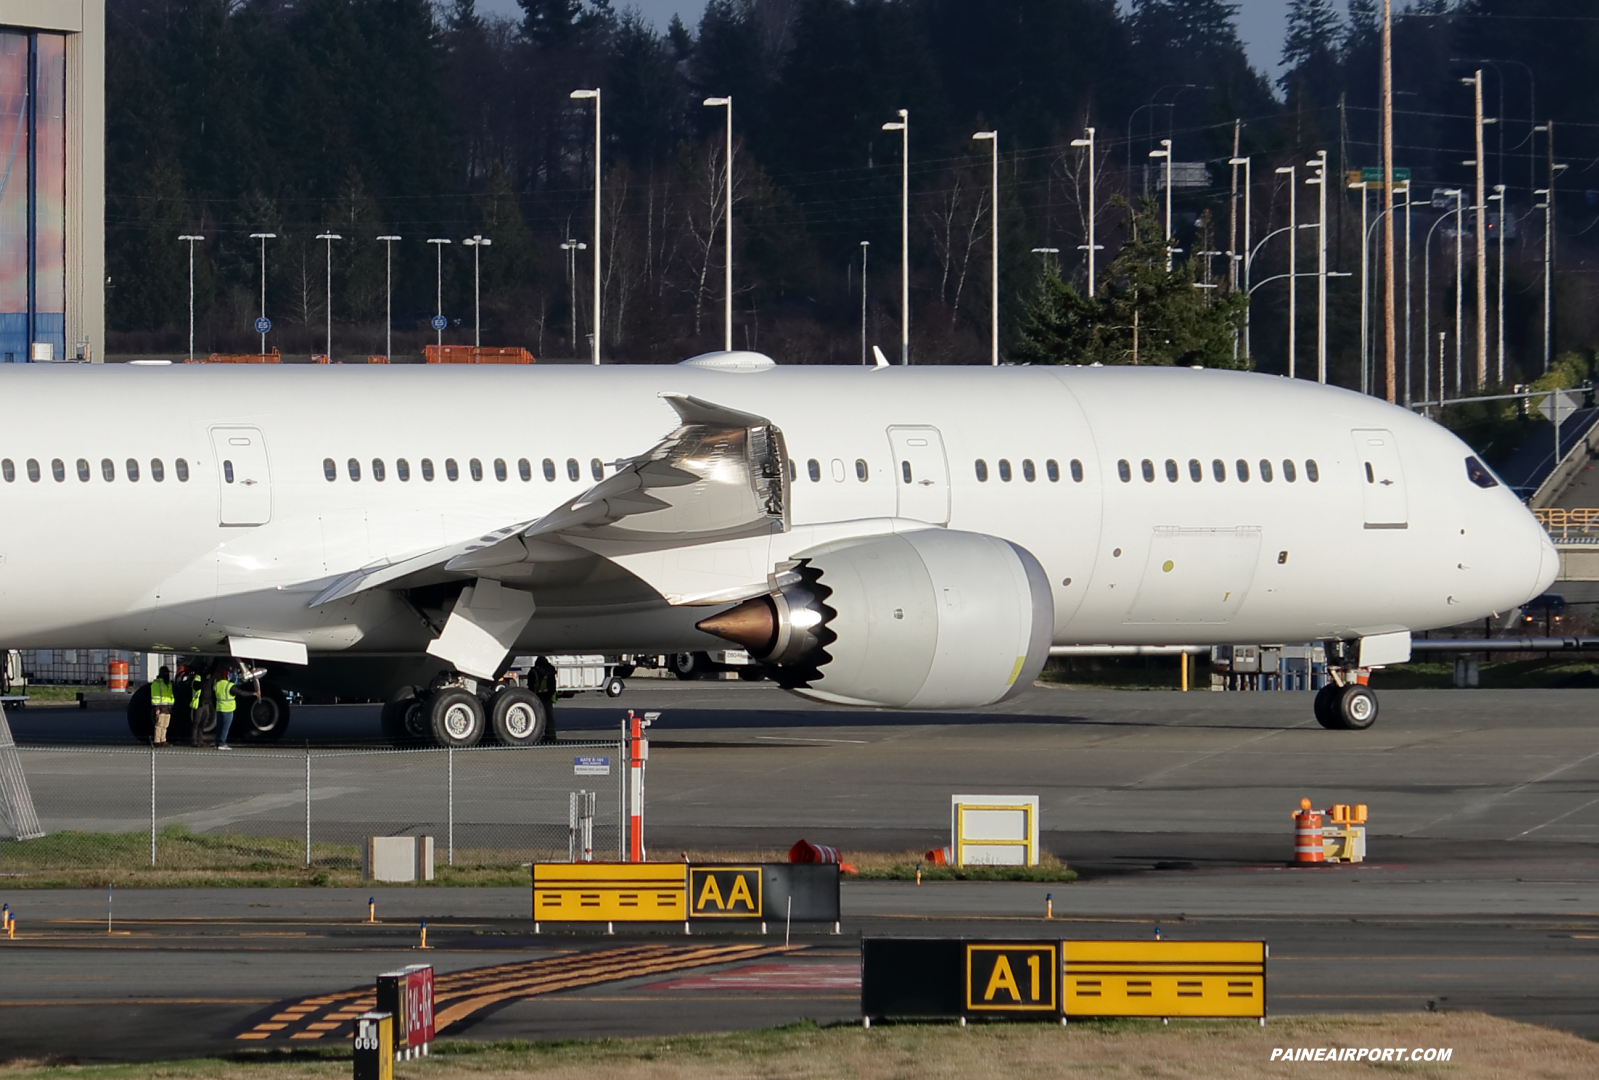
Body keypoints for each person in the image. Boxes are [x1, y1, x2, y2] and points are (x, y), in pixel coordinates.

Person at [532, 656, 558, 739]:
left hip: (538, 696)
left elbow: (531, 685)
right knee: (548, 717)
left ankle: (547, 735)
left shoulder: (534, 672)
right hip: (547, 697)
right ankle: (551, 735)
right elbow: (552, 687)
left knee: (539, 717)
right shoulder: (550, 672)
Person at [149, 666, 175, 747]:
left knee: (165, 725)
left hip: (167, 707)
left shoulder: (168, 683)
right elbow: (155, 696)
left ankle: (163, 740)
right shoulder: (157, 683)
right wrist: (156, 708)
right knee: (159, 725)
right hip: (160, 707)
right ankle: (157, 740)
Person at [213, 668, 238, 750]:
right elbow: (240, 692)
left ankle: (217, 743)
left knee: (219, 726)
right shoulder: (230, 685)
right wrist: (253, 693)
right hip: (228, 709)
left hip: (219, 707)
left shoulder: (217, 684)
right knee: (225, 727)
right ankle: (222, 743)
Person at [189, 667, 213, 747]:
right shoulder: (197, 679)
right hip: (199, 704)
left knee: (203, 723)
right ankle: (194, 741)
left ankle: (200, 740)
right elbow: (198, 687)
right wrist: (205, 679)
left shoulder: (207, 679)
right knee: (196, 723)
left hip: (206, 703)